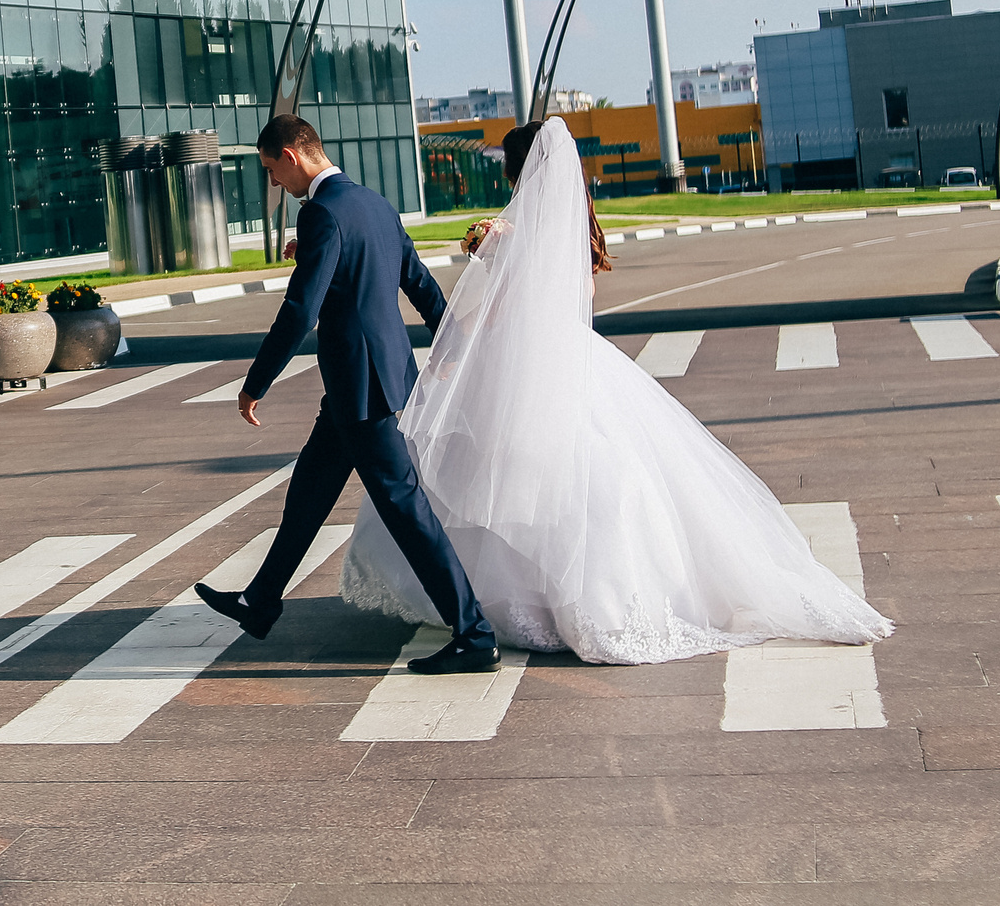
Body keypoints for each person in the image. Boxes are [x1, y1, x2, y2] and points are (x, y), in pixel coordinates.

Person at [340, 116, 893, 662]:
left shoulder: (513, 235)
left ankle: (512, 598)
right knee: (574, 473)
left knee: (479, 473)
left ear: (517, 170)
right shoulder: (572, 227)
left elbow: (496, 314)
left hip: (524, 360)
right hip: (571, 354)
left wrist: (464, 324)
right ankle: (569, 594)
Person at [194, 114, 499, 674]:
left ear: (291, 155)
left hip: (362, 392)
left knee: (406, 511)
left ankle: (474, 634)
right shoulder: (371, 204)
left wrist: (255, 382)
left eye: (270, 171)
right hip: (363, 386)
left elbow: (299, 310)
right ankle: (261, 600)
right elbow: (419, 281)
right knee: (308, 492)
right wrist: (452, 342)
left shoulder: (323, 214)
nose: (274, 185)